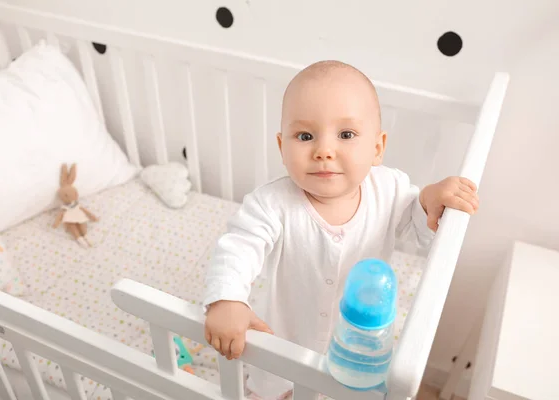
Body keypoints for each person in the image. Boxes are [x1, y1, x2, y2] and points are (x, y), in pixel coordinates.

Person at [201, 60, 479, 399]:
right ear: (281, 147)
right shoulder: (271, 203)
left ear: (377, 148)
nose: (323, 151)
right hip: (287, 334)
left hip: (355, 345)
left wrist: (431, 200)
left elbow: (420, 229)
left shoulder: (390, 189)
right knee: (272, 387)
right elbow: (239, 246)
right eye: (305, 136)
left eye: (346, 135)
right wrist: (227, 297)